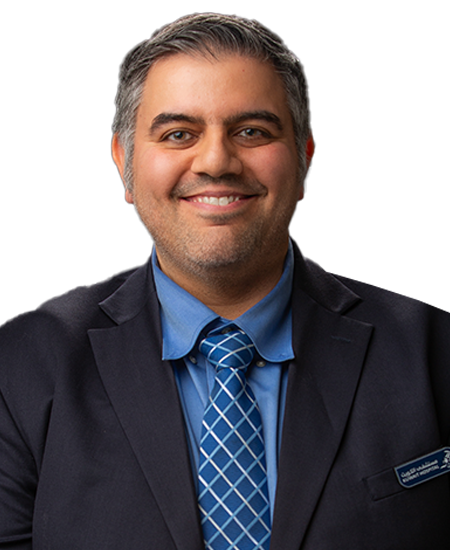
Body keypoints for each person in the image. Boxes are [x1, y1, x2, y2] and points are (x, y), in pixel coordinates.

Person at [1, 12, 450, 550]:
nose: (216, 161)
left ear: (303, 156)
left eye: (252, 131)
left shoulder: (429, 349)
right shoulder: (23, 364)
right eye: (178, 134)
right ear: (125, 162)